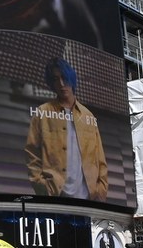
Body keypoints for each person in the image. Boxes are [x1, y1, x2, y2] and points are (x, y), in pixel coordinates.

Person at [25, 59, 108, 202]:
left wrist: (100, 191)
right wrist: (42, 186)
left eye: (64, 78)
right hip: (56, 194)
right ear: (51, 83)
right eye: (56, 79)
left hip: (88, 197)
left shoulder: (88, 116)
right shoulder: (42, 112)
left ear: (72, 79)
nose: (62, 84)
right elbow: (32, 152)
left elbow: (100, 159)